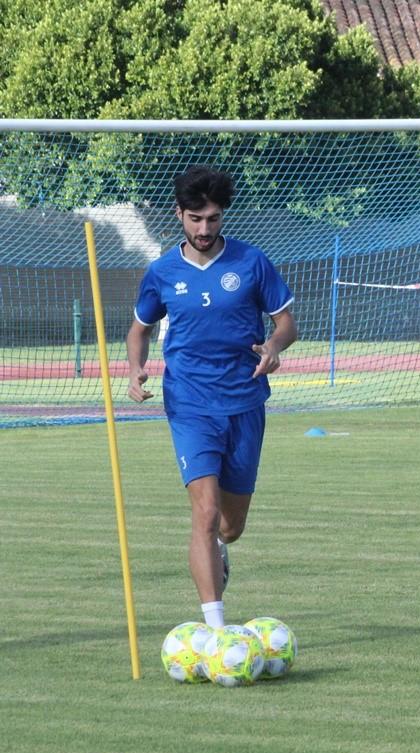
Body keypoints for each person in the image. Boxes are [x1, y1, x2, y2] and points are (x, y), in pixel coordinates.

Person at [125, 166, 297, 630]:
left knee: (230, 526)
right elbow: (138, 330)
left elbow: (286, 325)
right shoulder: (161, 271)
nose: (204, 229)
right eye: (195, 219)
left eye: (214, 219)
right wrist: (135, 368)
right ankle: (216, 629)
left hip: (244, 402)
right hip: (189, 403)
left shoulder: (251, 262)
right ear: (179, 214)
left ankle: (221, 550)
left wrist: (273, 348)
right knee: (205, 511)